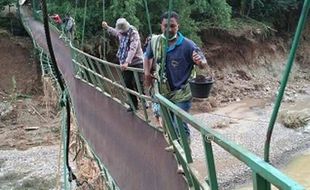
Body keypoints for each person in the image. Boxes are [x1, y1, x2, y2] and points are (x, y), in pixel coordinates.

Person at [144, 11, 208, 142]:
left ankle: (185, 153)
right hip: (163, 91)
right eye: (165, 25)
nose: (168, 29)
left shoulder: (188, 45)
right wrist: (146, 73)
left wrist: (200, 62)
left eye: (172, 26)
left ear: (178, 26)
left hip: (182, 92)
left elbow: (203, 63)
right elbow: (147, 56)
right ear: (161, 26)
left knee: (178, 123)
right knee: (167, 122)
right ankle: (176, 147)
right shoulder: (155, 41)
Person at [102, 18, 144, 112]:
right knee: (127, 83)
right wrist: (107, 27)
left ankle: (144, 101)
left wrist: (127, 62)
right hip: (124, 63)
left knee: (138, 83)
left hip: (136, 62)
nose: (120, 32)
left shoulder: (133, 33)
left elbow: (133, 48)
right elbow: (115, 32)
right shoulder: (121, 33)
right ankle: (133, 105)